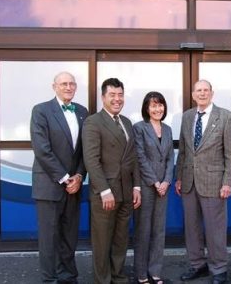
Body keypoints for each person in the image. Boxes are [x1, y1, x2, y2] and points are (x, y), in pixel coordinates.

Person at [175, 80, 231, 284]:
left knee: (215, 228)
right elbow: (183, 151)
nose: (202, 93)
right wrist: (178, 177)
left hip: (214, 181)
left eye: (205, 90)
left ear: (212, 93)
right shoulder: (187, 117)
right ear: (193, 94)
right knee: (191, 227)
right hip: (188, 181)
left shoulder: (225, 117)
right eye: (198, 90)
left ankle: (219, 269)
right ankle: (197, 265)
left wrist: (228, 182)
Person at [30, 71, 89, 283]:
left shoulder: (83, 112)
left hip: (74, 185)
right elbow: (42, 150)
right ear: (54, 86)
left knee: (69, 235)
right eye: (64, 84)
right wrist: (65, 178)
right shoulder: (41, 111)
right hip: (50, 185)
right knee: (49, 238)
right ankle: (49, 279)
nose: (68, 87)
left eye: (72, 84)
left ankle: (68, 276)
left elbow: (85, 150)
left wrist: (80, 176)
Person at [82, 77, 142, 284]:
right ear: (103, 97)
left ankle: (118, 277)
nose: (117, 99)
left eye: (120, 95)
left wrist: (136, 186)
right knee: (102, 241)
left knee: (120, 240)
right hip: (106, 193)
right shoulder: (93, 122)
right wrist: (104, 190)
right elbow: (91, 159)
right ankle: (103, 280)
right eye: (112, 95)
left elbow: (132, 157)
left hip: (126, 192)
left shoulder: (126, 122)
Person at [133, 91, 175, 284]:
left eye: (160, 105)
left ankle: (155, 270)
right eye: (153, 106)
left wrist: (166, 181)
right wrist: (155, 182)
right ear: (146, 109)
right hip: (146, 185)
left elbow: (169, 158)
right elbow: (140, 157)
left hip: (163, 188)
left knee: (159, 230)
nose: (157, 109)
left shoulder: (167, 129)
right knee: (143, 230)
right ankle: (141, 273)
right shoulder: (139, 128)